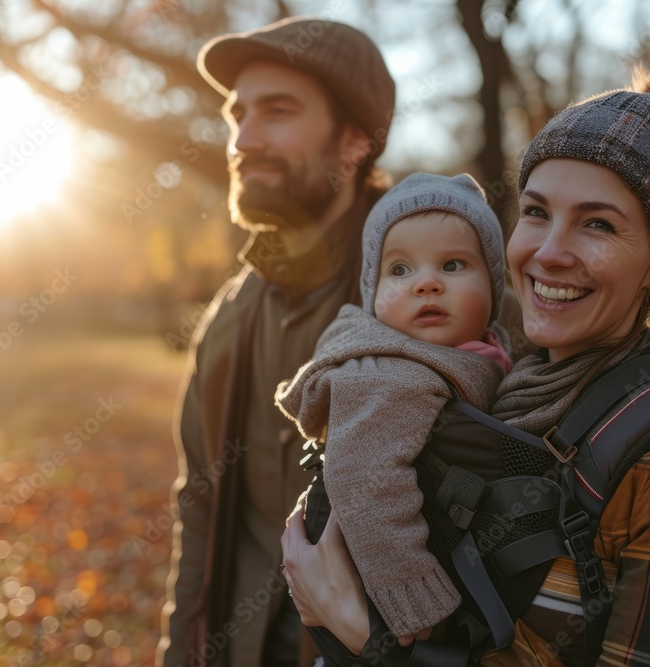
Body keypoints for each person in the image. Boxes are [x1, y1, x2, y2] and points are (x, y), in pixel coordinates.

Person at [280, 72, 650, 666]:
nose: (549, 252)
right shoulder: (484, 390)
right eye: (537, 212)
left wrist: (366, 635)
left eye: (598, 223)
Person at [156, 16, 396, 667]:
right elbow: (199, 506)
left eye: (278, 112)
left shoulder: (428, 303)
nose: (244, 139)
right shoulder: (229, 316)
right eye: (238, 115)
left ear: (354, 140)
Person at [275, 172, 511, 643]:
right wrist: (412, 593)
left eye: (453, 265)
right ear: (374, 295)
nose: (426, 283)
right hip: (383, 601)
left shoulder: (481, 353)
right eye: (400, 270)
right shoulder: (395, 374)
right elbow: (364, 472)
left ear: (494, 286)